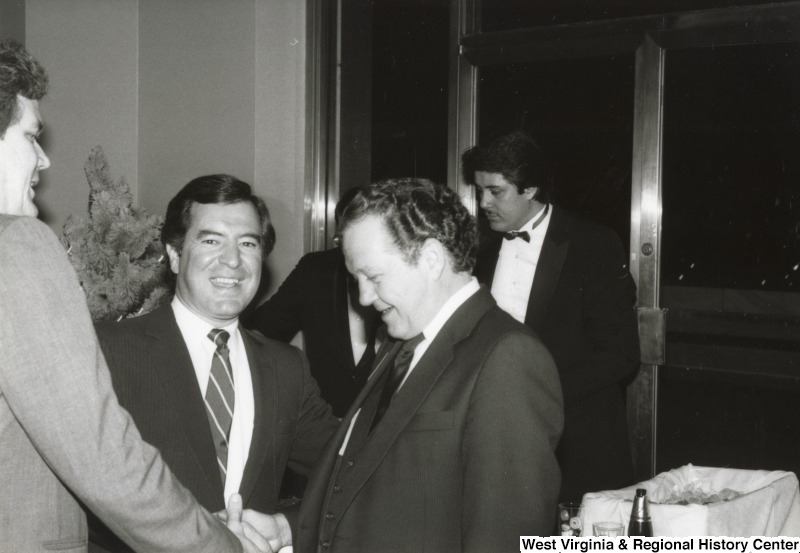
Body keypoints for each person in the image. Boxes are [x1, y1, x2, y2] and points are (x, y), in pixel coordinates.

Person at [0, 38, 265, 553]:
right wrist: (220, 547)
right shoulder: (15, 247)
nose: (44, 160)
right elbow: (97, 451)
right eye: (30, 137)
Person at [290, 178, 563, 553]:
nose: (365, 298)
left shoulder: (507, 356)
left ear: (431, 259)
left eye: (373, 276)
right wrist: (289, 530)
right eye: (357, 280)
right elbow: (363, 484)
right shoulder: (401, 344)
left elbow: (504, 539)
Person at [90, 174, 340, 552]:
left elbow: (351, 471)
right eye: (211, 241)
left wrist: (288, 529)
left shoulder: (287, 368)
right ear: (174, 256)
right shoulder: (110, 350)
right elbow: (79, 490)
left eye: (248, 243)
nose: (233, 260)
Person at [462, 130, 641, 501]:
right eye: (480, 191)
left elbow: (620, 353)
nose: (483, 203)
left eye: (496, 191)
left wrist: (540, 391)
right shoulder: (479, 246)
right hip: (494, 431)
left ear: (530, 190)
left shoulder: (593, 244)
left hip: (573, 436)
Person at [245, 186, 380, 418]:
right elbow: (260, 331)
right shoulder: (314, 271)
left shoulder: (406, 280)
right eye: (345, 239)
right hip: (322, 427)